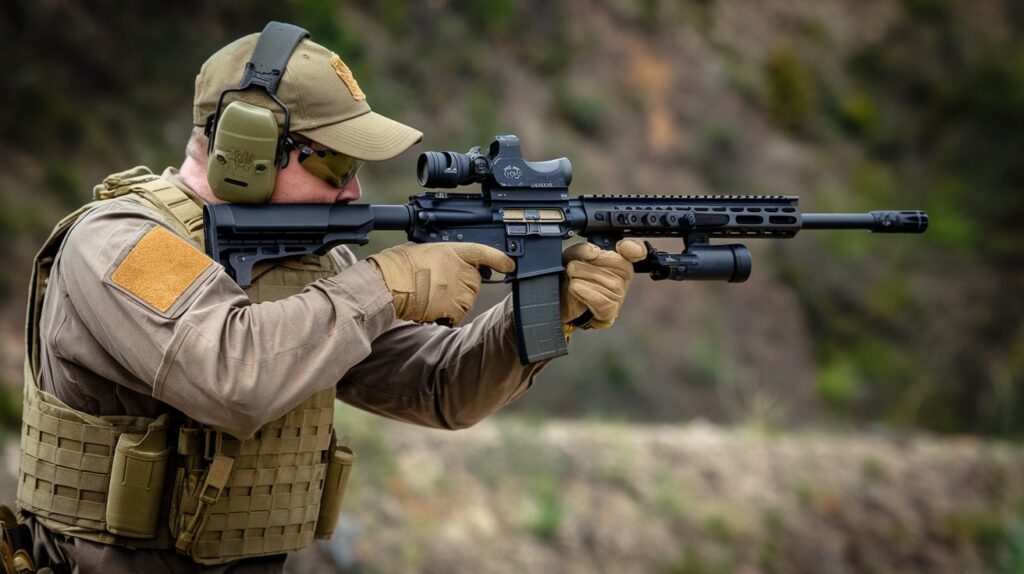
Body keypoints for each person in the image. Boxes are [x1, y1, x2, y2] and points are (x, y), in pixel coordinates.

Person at [13, 22, 644, 574]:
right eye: (337, 165)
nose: (356, 189)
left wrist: (541, 311)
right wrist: (382, 284)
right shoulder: (119, 242)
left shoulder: (314, 266)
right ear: (248, 151)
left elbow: (439, 388)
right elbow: (229, 372)